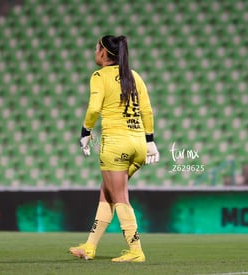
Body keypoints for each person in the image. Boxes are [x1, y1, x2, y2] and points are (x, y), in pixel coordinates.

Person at [69, 35, 160, 262]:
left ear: (103, 53)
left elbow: (93, 108)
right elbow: (147, 110)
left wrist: (86, 132)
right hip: (138, 142)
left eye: (96, 47)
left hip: (115, 144)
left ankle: (136, 250)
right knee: (107, 193)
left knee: (119, 197)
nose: (94, 51)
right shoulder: (134, 76)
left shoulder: (99, 76)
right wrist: (150, 141)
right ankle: (89, 247)